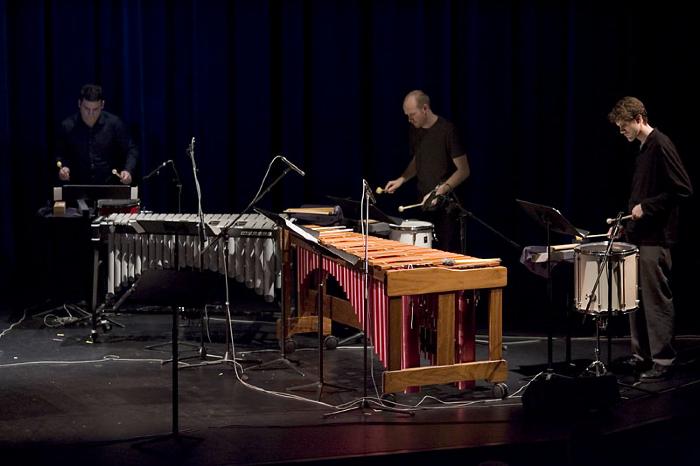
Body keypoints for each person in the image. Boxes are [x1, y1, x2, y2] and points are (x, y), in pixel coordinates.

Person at [608, 96, 693, 381]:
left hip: (656, 240)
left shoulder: (661, 145)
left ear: (639, 118)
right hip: (640, 237)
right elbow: (641, 197)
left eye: (624, 127)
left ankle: (663, 360)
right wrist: (624, 225)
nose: (622, 133)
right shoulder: (644, 150)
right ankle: (641, 356)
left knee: (656, 300)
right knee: (636, 300)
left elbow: (682, 189)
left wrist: (647, 207)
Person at [383, 90, 470, 253]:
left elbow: (463, 170)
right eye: (407, 115)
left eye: (412, 114)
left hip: (446, 210)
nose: (409, 119)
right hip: (424, 206)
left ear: (425, 108)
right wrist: (402, 179)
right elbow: (419, 160)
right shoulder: (415, 131)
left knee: (445, 258)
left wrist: (439, 191)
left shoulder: (447, 131)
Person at [56, 84, 138, 185]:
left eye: (95, 109)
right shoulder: (67, 126)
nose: (90, 114)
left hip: (109, 186)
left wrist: (128, 170)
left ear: (102, 105)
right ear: (79, 104)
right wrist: (64, 168)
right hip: (78, 187)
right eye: (86, 109)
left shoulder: (114, 124)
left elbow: (131, 149)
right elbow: (60, 154)